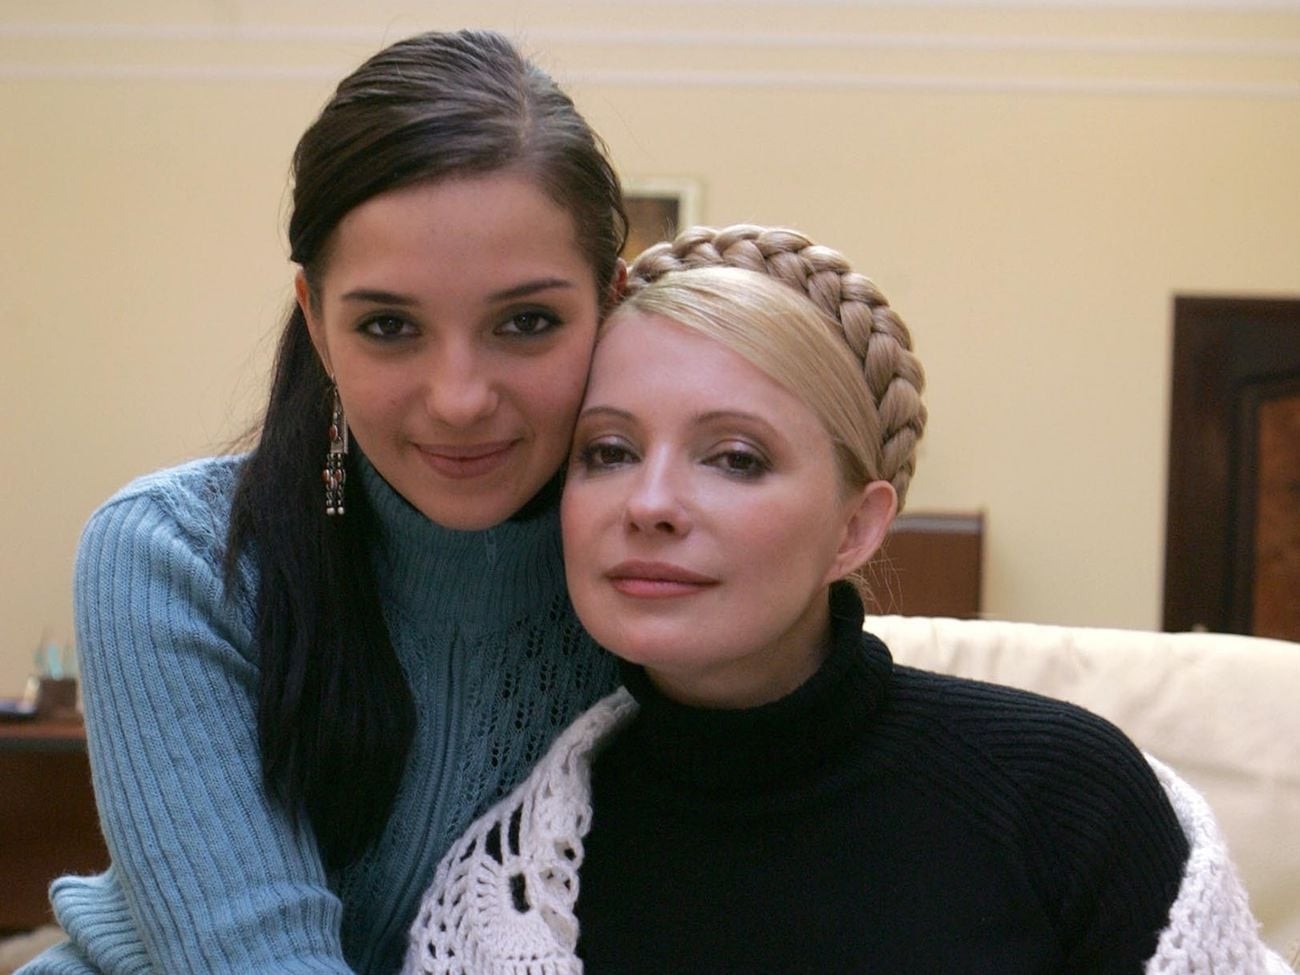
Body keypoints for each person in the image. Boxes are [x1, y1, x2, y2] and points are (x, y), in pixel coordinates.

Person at [404, 226, 1292, 974]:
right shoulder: (514, 880)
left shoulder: (1066, 796)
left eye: (736, 457)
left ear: (856, 528)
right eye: (607, 451)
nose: (650, 503)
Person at [20, 28, 628, 975]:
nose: (459, 398)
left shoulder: (653, 576)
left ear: (610, 304)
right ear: (315, 320)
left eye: (526, 321)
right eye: (389, 325)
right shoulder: (174, 554)